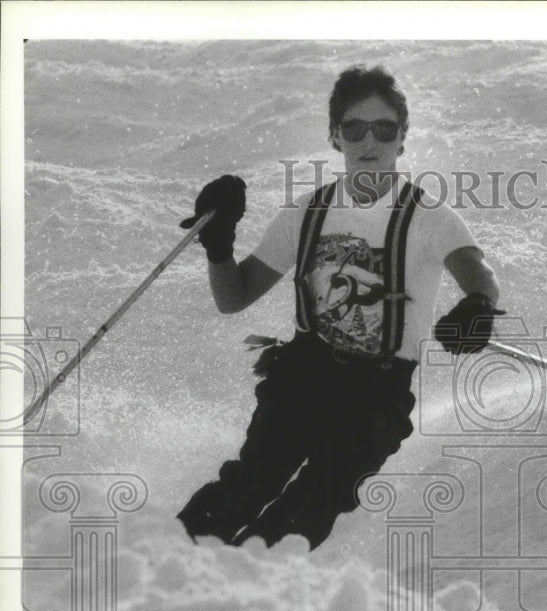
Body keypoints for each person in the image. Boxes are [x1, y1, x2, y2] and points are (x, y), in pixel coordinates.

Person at [176, 65, 503, 550]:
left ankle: (257, 593)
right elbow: (234, 297)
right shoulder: (306, 212)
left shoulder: (429, 216)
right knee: (247, 486)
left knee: (313, 502)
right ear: (334, 136)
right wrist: (218, 243)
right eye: (353, 128)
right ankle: (173, 567)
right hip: (301, 376)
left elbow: (479, 273)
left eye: (384, 128)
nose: (369, 140)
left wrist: (477, 305)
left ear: (403, 138)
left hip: (376, 394)